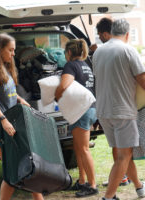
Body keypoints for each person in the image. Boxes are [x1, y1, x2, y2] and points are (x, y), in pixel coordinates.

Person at [92, 19, 145, 200]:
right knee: (123, 156)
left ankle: (139, 187)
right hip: (122, 111)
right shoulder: (128, 50)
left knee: (124, 154)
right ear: (127, 34)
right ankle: (109, 197)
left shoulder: (98, 52)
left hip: (104, 111)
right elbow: (143, 80)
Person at [0, 33, 44, 200]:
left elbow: (8, 93)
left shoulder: (4, 67)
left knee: (27, 165)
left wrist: (20, 100)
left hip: (11, 125)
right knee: (13, 170)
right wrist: (3, 120)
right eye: (10, 50)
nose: (14, 53)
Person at [55, 39, 98, 198]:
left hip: (82, 110)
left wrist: (56, 95)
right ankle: (82, 181)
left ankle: (92, 185)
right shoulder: (86, 65)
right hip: (90, 109)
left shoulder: (71, 65)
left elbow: (65, 84)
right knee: (79, 148)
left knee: (84, 149)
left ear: (69, 53)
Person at [91, 17, 131, 187]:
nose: (99, 37)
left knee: (120, 147)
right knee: (123, 149)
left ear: (106, 34)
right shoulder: (115, 50)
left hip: (115, 107)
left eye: (100, 35)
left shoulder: (107, 51)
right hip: (118, 106)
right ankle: (130, 180)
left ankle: (121, 179)